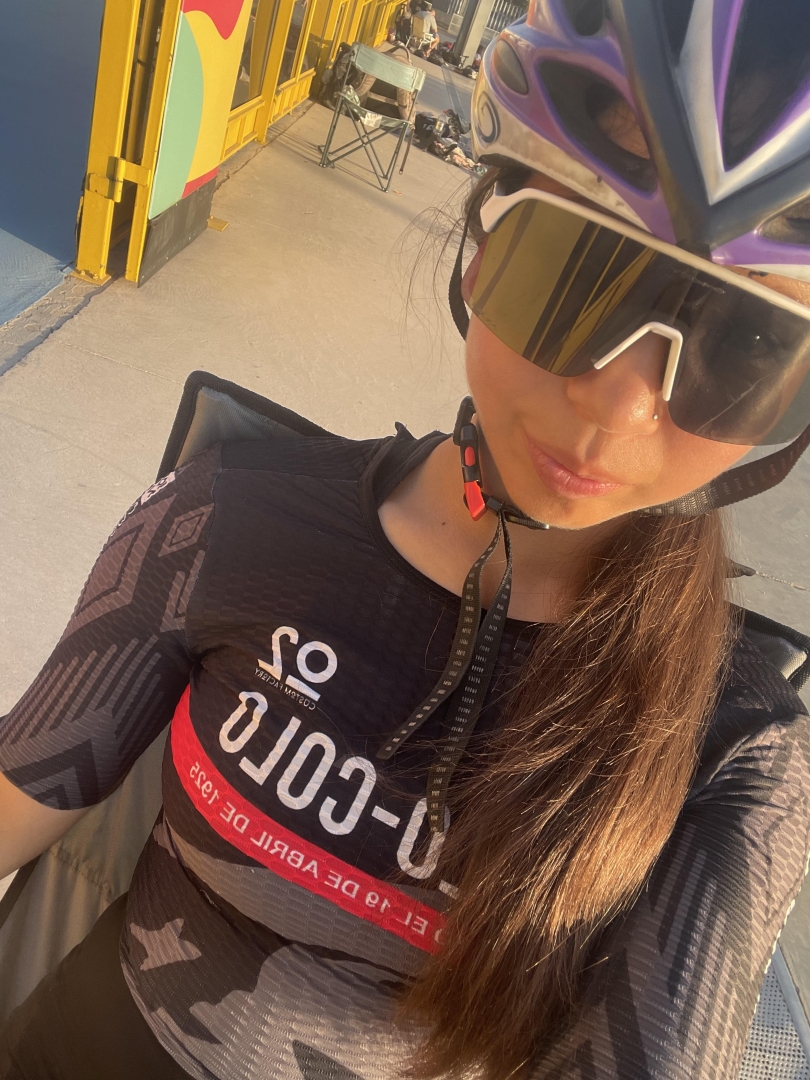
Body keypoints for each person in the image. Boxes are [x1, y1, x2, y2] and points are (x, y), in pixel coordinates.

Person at [2, 1, 810, 1078]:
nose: (615, 408)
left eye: (748, 344)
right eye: (575, 271)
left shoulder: (739, 746)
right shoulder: (223, 515)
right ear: (480, 251)